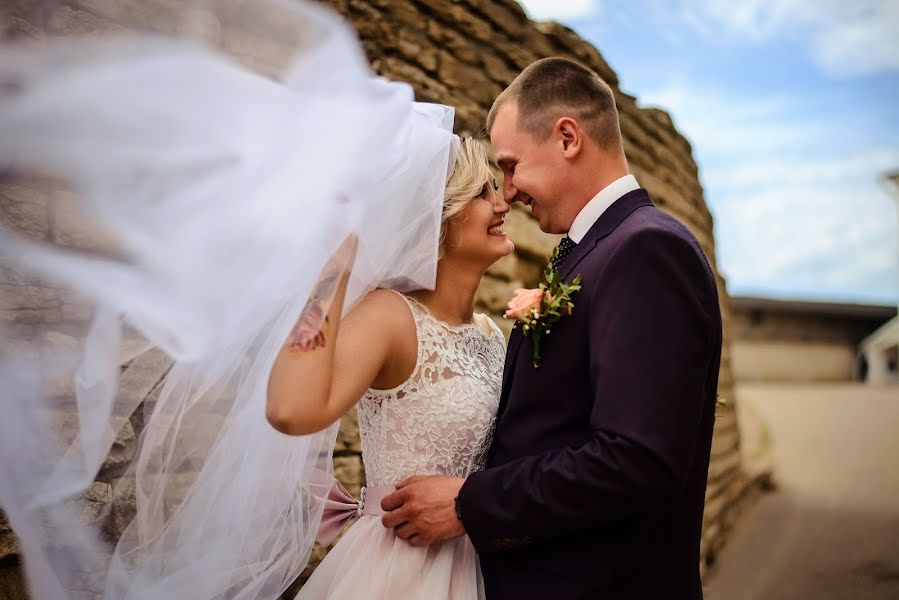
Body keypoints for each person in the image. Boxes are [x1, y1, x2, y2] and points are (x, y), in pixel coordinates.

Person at [380, 57, 723, 600]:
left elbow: (637, 459)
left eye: (511, 165)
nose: (508, 191)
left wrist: (471, 503)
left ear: (567, 137)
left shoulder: (646, 250)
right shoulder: (595, 253)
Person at [265, 136, 511, 599]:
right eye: (483, 192)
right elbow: (291, 409)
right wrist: (333, 270)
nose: (502, 203)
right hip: (401, 570)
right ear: (438, 213)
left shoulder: (491, 335)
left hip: (479, 566)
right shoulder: (389, 316)